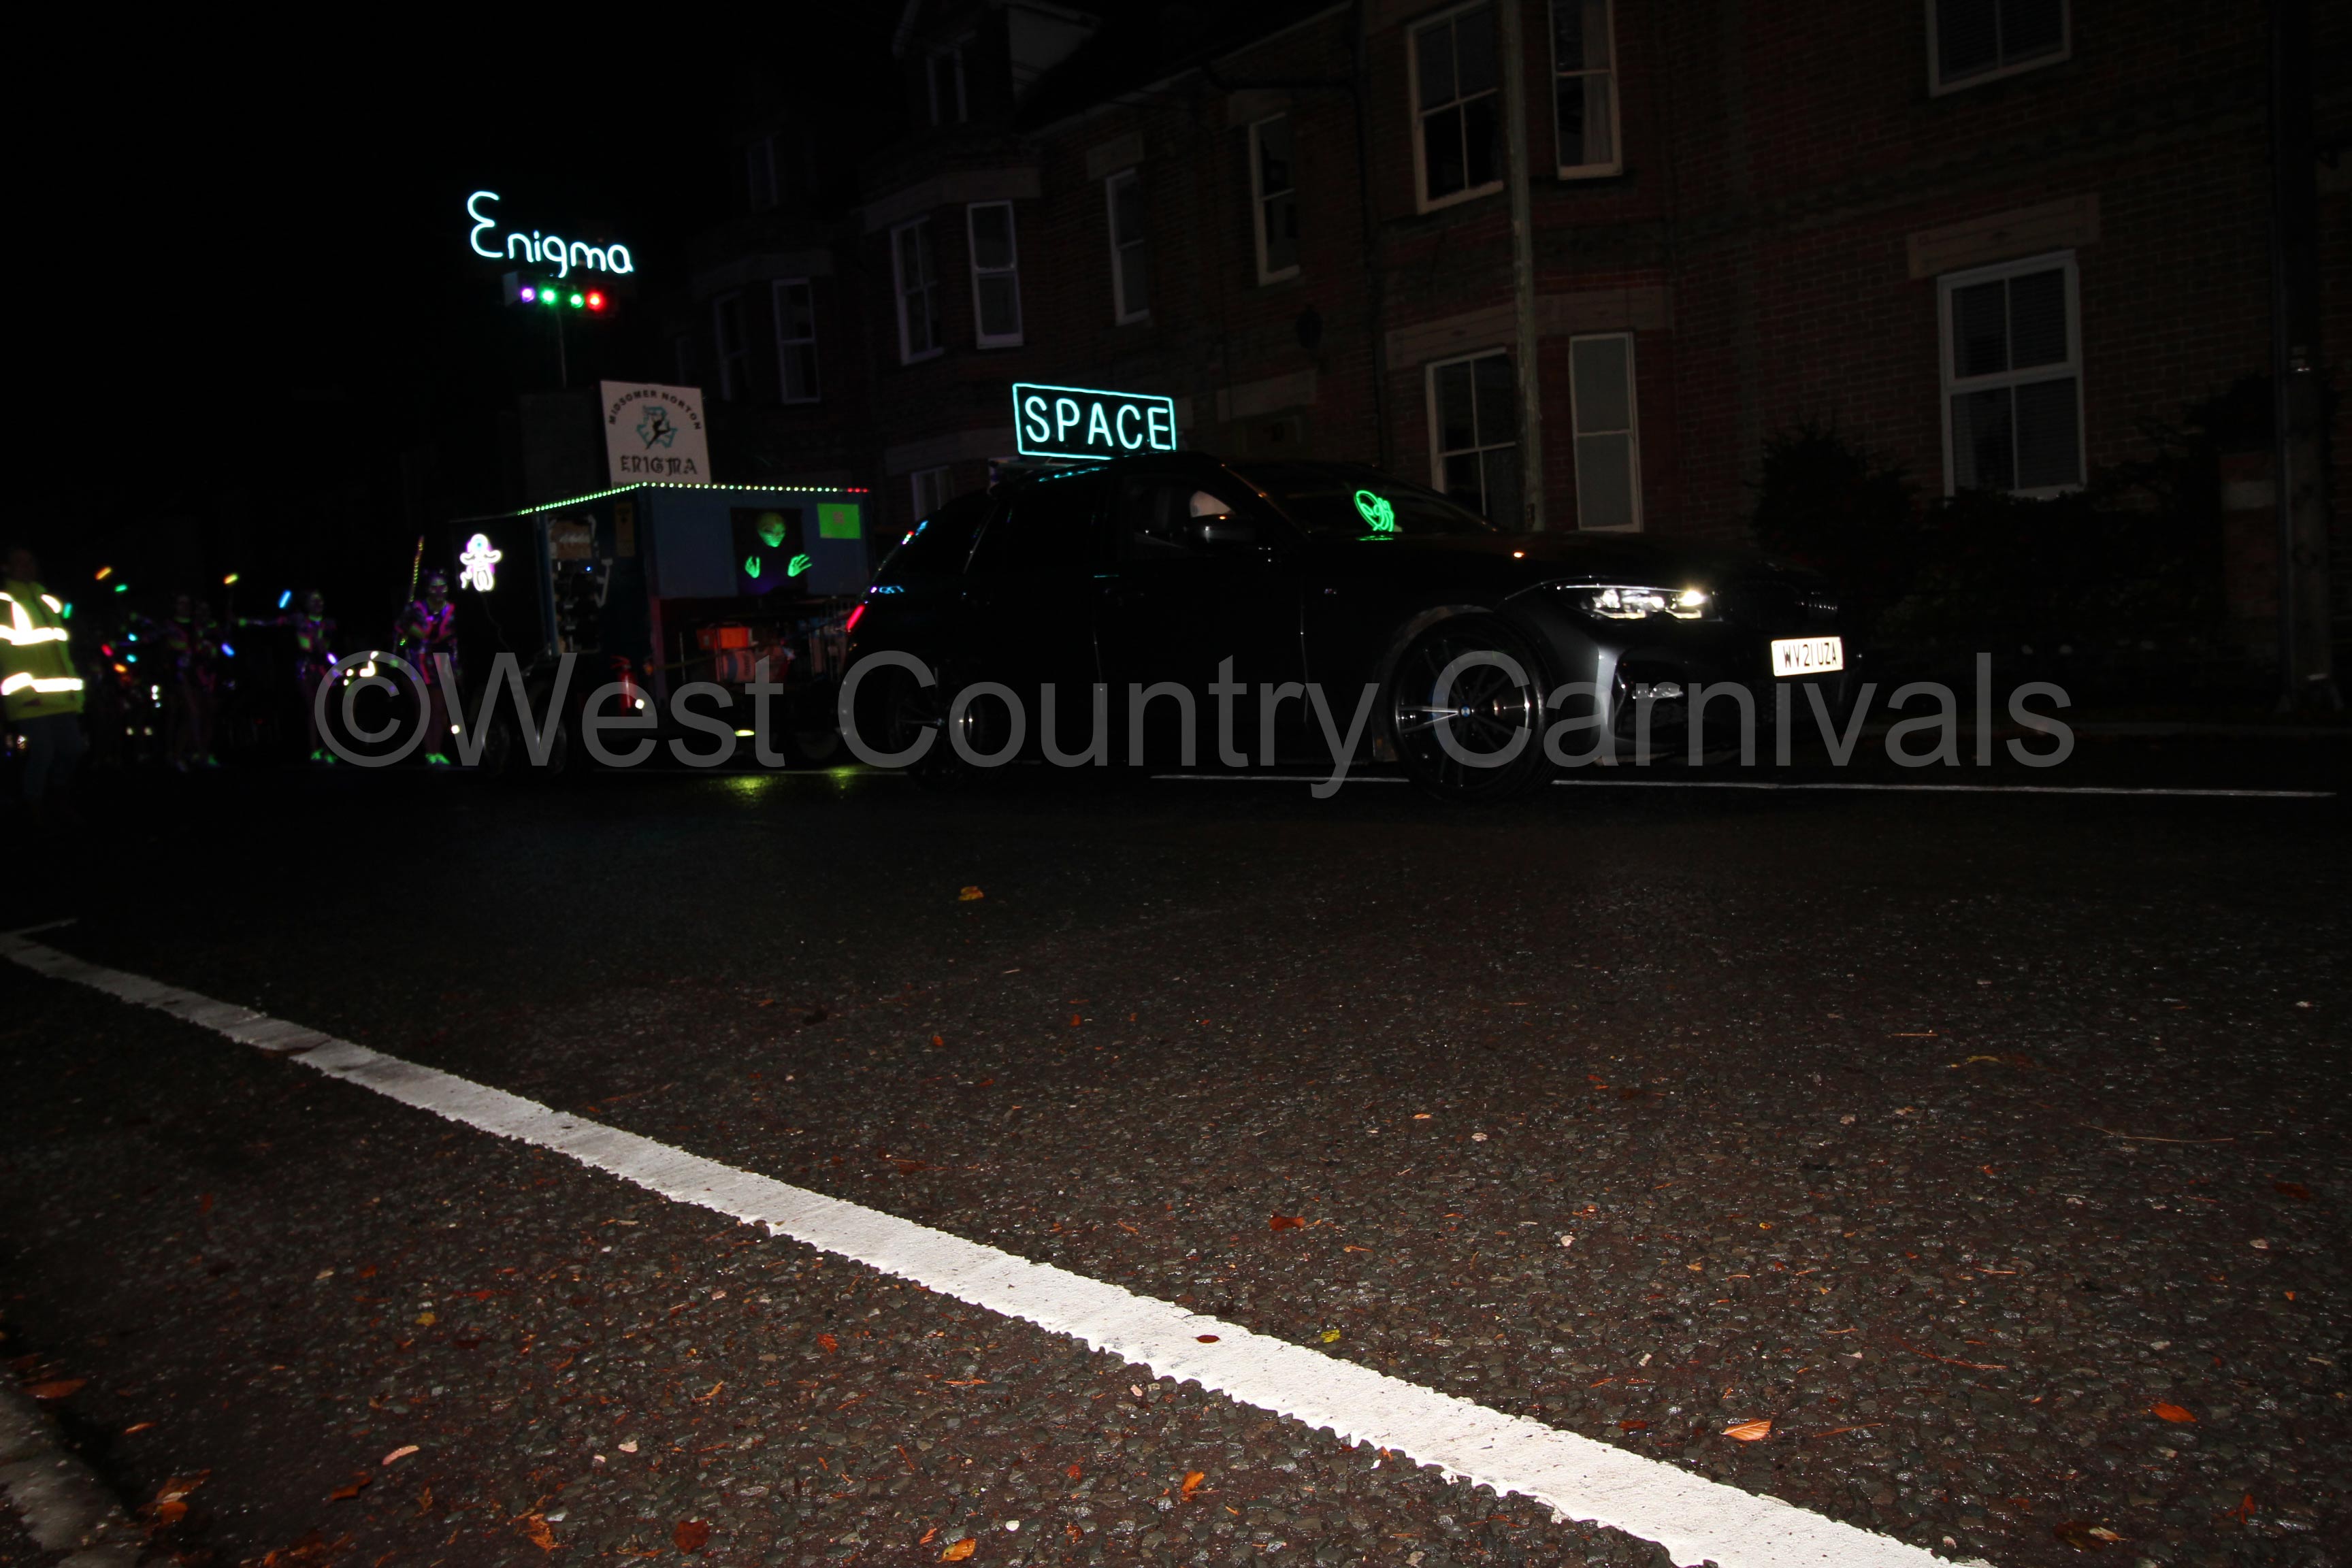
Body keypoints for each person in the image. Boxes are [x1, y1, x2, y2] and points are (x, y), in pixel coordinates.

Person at [1, 546, 88, 821]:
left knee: (73, 748)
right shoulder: (4, 603)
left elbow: (61, 651)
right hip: (29, 696)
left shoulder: (47, 602)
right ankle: (34, 804)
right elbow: (6, 653)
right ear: (6, 568)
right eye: (19, 562)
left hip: (60, 696)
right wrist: (24, 692)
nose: (27, 566)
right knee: (41, 751)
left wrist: (74, 691)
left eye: (30, 561)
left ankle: (55, 794)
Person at [246, 590, 339, 762]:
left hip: (323, 667)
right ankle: (314, 751)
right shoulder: (299, 619)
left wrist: (319, 641)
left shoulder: (329, 623)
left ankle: (327, 751)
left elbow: (324, 645)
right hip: (305, 667)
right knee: (313, 708)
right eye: (313, 601)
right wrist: (244, 622)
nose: (317, 604)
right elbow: (271, 623)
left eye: (320, 600)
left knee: (325, 710)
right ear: (307, 605)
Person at [398, 570, 458, 766]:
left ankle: (437, 751)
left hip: (443, 661)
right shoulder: (416, 608)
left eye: (443, 586)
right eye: (434, 587)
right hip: (419, 661)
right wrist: (421, 634)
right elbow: (402, 627)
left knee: (440, 708)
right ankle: (429, 751)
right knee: (425, 706)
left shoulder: (452, 610)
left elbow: (452, 638)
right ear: (427, 589)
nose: (439, 591)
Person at [158, 593, 220, 770]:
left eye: (187, 603)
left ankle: (185, 754)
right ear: (175, 606)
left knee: (195, 715)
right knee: (192, 713)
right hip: (180, 676)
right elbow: (155, 639)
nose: (184, 607)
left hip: (196, 675)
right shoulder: (170, 625)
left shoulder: (195, 626)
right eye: (181, 603)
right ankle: (191, 755)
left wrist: (208, 650)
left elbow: (204, 645)